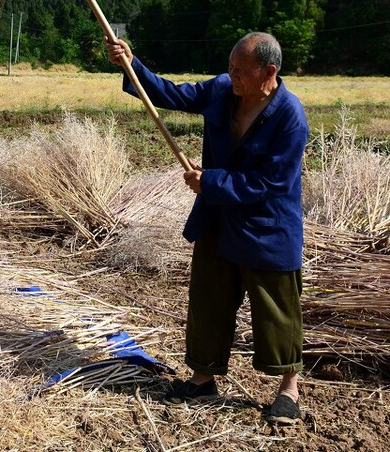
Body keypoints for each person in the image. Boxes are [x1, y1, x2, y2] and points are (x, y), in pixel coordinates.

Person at [106, 32, 309, 425]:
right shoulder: (222, 89)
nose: (231, 75)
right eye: (230, 67)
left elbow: (270, 184)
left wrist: (211, 183)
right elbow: (175, 95)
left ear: (268, 71)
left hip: (266, 226)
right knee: (209, 298)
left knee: (277, 309)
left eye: (239, 70)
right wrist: (131, 64)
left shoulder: (289, 118)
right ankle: (203, 378)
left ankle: (288, 389)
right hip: (218, 218)